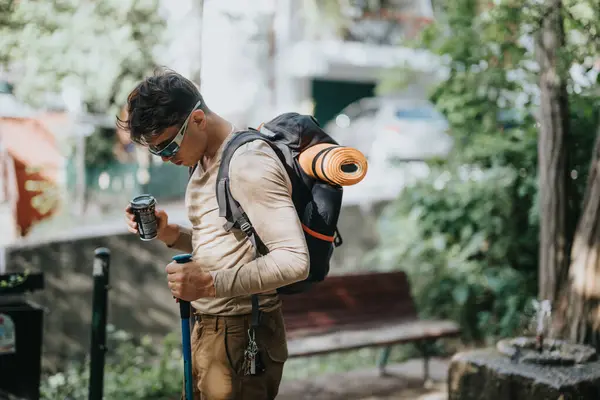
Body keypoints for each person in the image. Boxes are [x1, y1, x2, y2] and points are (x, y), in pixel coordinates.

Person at [119, 68, 309, 399]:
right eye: (156, 152)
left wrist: (209, 284)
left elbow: (294, 260)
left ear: (197, 119)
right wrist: (171, 233)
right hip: (209, 327)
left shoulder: (249, 164)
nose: (166, 158)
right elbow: (234, 244)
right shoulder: (205, 161)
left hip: (242, 332)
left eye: (168, 146)